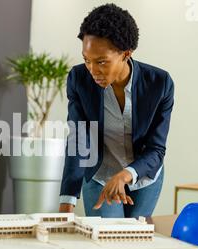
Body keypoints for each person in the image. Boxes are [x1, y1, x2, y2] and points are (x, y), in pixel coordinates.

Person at [59, 4, 174, 218]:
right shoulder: (78, 79)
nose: (92, 70)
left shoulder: (159, 84)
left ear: (126, 54)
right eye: (86, 60)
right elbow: (79, 140)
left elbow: (156, 149)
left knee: (133, 242)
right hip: (100, 174)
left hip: (143, 177)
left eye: (101, 62)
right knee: (106, 241)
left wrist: (125, 175)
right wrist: (67, 202)